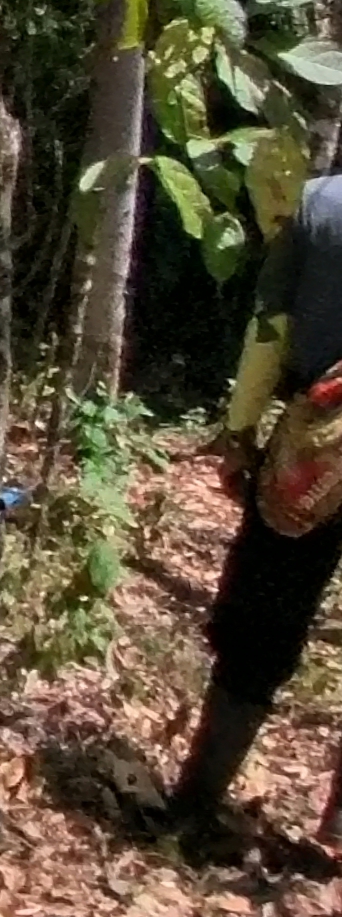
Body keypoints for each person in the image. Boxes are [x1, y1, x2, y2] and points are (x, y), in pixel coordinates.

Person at [175, 164, 342, 844]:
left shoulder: (319, 207)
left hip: (310, 442)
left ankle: (195, 803)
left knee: (262, 617)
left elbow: (269, 329)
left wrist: (240, 433)